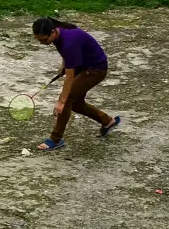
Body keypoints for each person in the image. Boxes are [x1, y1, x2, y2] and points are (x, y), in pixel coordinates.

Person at [32, 16, 122, 150]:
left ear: (53, 32)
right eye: (38, 40)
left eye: (43, 40)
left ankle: (56, 139)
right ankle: (107, 121)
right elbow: (67, 55)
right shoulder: (59, 33)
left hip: (95, 70)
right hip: (84, 66)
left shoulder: (69, 42)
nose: (42, 43)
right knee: (76, 103)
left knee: (68, 99)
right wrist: (65, 64)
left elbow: (69, 77)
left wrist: (61, 102)